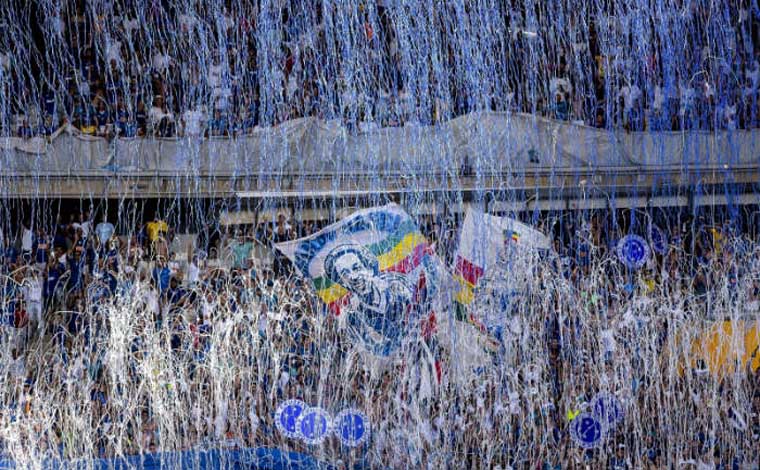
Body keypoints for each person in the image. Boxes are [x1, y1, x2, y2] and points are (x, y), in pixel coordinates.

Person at [323, 242, 417, 356]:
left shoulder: (397, 284)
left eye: (356, 268)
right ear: (343, 283)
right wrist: (398, 343)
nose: (353, 277)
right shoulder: (353, 318)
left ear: (369, 269)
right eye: (345, 274)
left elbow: (420, 305)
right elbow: (375, 349)